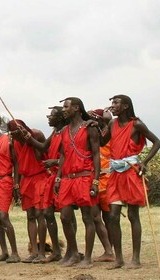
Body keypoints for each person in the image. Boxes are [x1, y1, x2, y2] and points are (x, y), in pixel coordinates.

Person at [100, 94, 160, 269]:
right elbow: (103, 141)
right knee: (112, 216)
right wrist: (103, 123)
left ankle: (135, 259)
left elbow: (156, 142)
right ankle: (118, 258)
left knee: (133, 215)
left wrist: (144, 161)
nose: (113, 105)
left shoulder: (136, 124)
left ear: (126, 106)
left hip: (131, 172)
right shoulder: (112, 124)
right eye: (112, 103)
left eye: (116, 103)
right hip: (115, 174)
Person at [54, 97, 100, 268]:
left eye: (65, 107)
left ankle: (87, 258)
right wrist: (58, 177)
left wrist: (96, 180)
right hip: (67, 178)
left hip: (85, 176)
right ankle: (73, 253)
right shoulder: (65, 130)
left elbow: (96, 154)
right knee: (65, 217)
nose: (63, 110)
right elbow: (63, 155)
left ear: (76, 108)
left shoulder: (90, 128)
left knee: (87, 217)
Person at [25, 106, 69, 263]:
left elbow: (71, 155)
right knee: (48, 214)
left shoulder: (66, 131)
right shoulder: (55, 132)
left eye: (51, 116)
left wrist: (55, 161)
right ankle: (56, 251)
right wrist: (29, 138)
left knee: (66, 215)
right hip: (53, 177)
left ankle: (72, 251)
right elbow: (44, 147)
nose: (48, 118)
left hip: (65, 176)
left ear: (59, 118)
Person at [8, 119, 48, 263]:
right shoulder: (14, 142)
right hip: (26, 180)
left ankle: (42, 252)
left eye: (17, 133)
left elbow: (41, 153)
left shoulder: (36, 134)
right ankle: (34, 252)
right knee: (30, 216)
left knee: (40, 214)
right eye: (13, 135)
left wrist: (29, 139)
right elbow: (17, 163)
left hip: (40, 177)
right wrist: (16, 184)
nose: (16, 137)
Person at [0, 115, 20, 263]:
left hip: (5, 181)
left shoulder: (8, 140)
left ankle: (15, 253)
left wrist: (16, 183)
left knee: (3, 217)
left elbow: (16, 163)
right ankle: (4, 251)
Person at [87, 108, 114, 262]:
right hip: (93, 178)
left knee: (109, 217)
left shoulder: (109, 132)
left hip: (108, 179)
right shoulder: (91, 134)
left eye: (92, 118)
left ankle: (111, 250)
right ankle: (108, 250)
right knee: (95, 216)